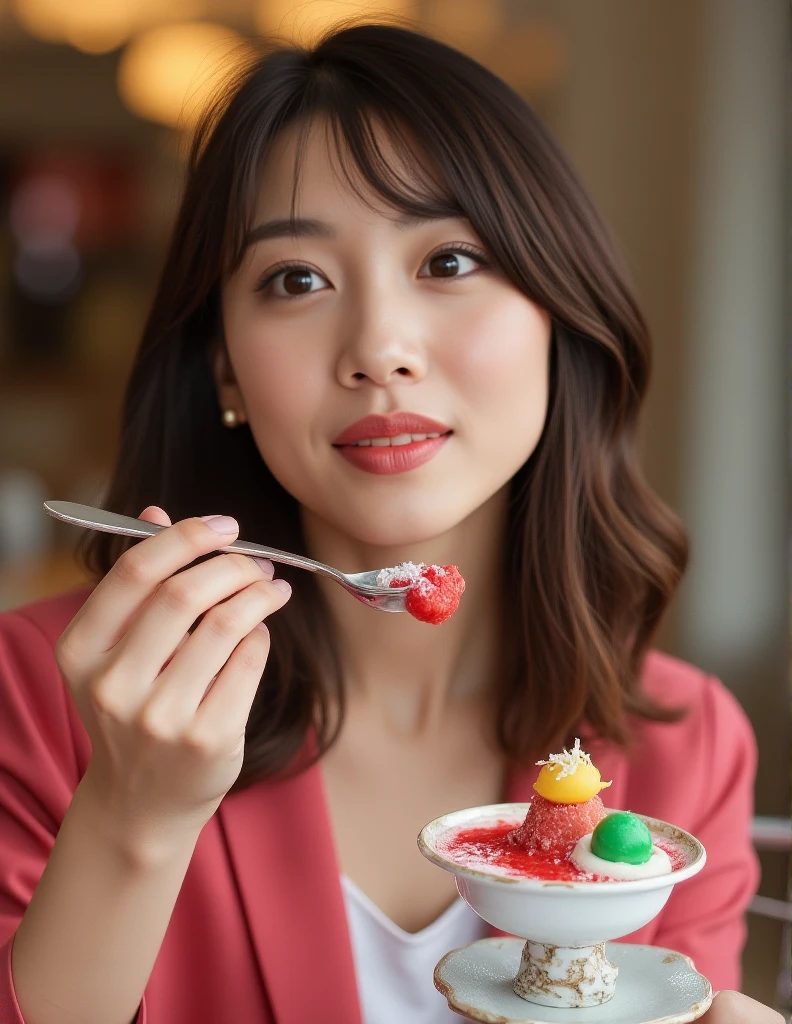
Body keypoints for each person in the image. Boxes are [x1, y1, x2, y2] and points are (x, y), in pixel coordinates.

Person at [0, 22, 781, 1024]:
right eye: (296, 280)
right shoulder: (47, 692)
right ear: (226, 365)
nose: (379, 348)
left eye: (450, 260)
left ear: (557, 309)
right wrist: (130, 817)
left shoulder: (688, 743)